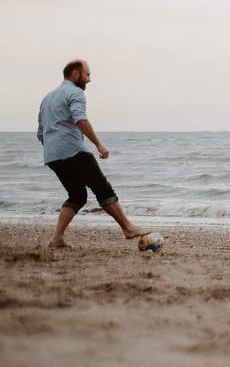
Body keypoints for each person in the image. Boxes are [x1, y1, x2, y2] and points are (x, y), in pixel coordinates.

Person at [37, 60, 150, 249]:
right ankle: (128, 228)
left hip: (52, 155)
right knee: (103, 189)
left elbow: (41, 133)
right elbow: (80, 119)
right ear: (75, 74)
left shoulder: (47, 97)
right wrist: (98, 145)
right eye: (87, 75)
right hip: (73, 150)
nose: (89, 80)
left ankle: (57, 239)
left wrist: (54, 150)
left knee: (77, 195)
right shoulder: (75, 92)